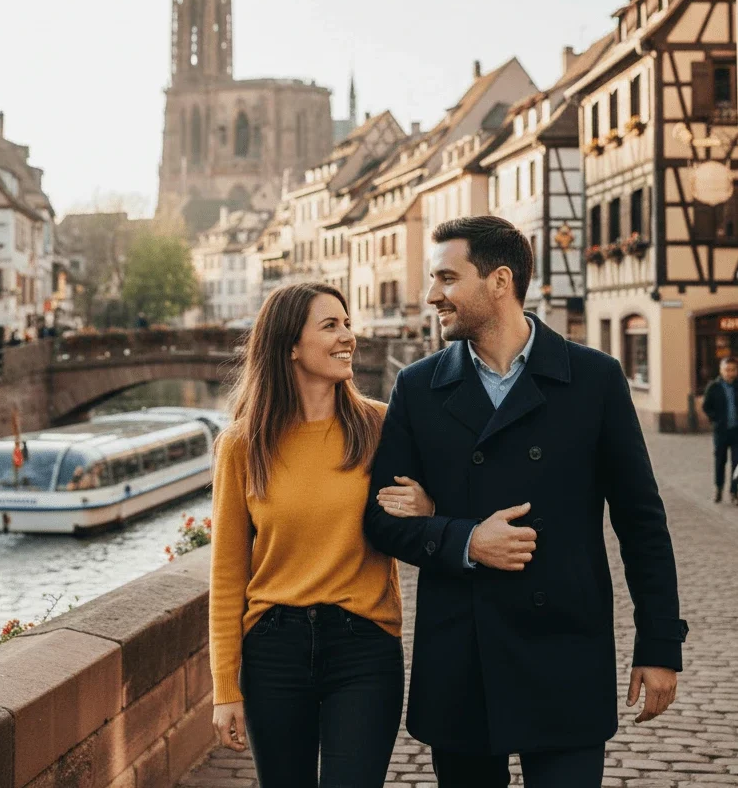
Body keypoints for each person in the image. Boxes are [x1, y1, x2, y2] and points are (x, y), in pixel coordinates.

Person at [365, 216, 687, 788]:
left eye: (445, 277)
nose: (431, 295)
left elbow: (642, 523)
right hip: (463, 654)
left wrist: (659, 643)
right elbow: (380, 521)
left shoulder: (594, 379)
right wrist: (466, 540)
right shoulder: (418, 387)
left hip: (563, 649)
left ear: (500, 281)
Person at [210, 282, 433, 788]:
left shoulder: (379, 425)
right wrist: (226, 687)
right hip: (272, 652)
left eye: (348, 323)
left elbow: (430, 516)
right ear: (290, 344)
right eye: (330, 326)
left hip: (363, 647)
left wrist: (430, 505)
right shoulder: (243, 446)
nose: (348, 337)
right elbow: (227, 576)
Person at [702, 356, 738, 504]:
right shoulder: (714, 386)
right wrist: (715, 419)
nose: (730, 373)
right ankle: (719, 489)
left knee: (737, 463)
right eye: (727, 370)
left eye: (733, 370)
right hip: (721, 431)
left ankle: (734, 492)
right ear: (721, 370)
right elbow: (706, 406)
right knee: (720, 461)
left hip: (736, 431)